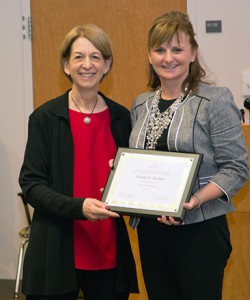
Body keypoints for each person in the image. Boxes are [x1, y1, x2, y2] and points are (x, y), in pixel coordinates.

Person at [129, 11, 249, 300]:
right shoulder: (140, 104)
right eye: (159, 49)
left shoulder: (214, 100)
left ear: (193, 53)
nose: (168, 57)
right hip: (151, 233)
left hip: (200, 232)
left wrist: (194, 201)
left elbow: (236, 168)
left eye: (177, 49)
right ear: (149, 55)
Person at [19, 24, 138, 300]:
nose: (88, 65)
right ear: (66, 65)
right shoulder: (44, 118)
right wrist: (78, 207)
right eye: (78, 57)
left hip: (107, 248)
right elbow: (31, 185)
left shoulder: (121, 118)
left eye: (96, 57)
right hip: (56, 249)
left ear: (107, 64)